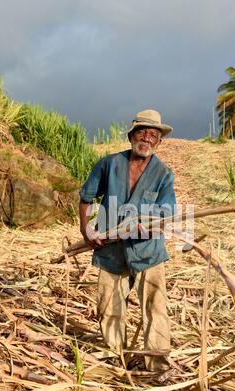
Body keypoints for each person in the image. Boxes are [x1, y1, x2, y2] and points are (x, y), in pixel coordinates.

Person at [79, 109, 176, 371]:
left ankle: (157, 365)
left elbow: (167, 213)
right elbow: (86, 198)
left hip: (148, 252)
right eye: (142, 132)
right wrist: (86, 229)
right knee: (109, 307)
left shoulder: (164, 174)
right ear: (131, 135)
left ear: (159, 142)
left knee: (155, 308)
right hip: (111, 250)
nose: (146, 139)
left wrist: (149, 225)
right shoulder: (108, 164)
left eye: (153, 135)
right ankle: (116, 359)